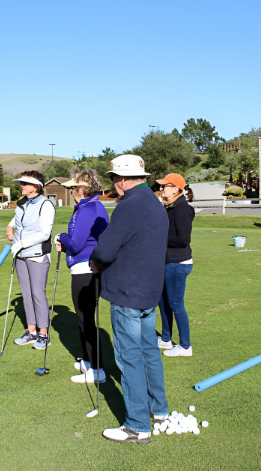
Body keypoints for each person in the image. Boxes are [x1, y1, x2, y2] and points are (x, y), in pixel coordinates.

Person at [89, 155, 168, 444]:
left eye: (113, 179)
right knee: (148, 351)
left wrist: (96, 260)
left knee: (129, 356)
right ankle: (158, 410)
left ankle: (137, 425)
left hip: (127, 293)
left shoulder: (129, 205)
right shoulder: (155, 203)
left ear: (123, 180)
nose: (113, 184)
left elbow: (106, 250)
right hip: (148, 292)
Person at [54, 169, 109, 384]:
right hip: (86, 268)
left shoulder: (88, 209)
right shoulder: (90, 206)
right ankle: (87, 361)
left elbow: (76, 244)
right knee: (82, 318)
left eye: (72, 188)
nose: (70, 191)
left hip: (86, 269)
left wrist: (61, 236)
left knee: (85, 320)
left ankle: (97, 370)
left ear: (82, 189)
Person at [8, 171, 55, 350]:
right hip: (20, 255)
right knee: (26, 295)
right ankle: (31, 331)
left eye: (25, 183)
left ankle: (43, 334)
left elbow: (44, 233)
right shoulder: (22, 203)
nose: (22, 186)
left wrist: (21, 243)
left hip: (37, 255)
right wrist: (10, 226)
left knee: (37, 294)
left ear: (36, 186)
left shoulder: (46, 205)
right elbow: (19, 218)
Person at [156, 173, 195, 357]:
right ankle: (165, 339)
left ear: (177, 189)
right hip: (167, 262)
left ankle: (185, 346)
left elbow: (183, 239)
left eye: (165, 186)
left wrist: (158, 237)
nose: (162, 189)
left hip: (178, 263)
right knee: (163, 302)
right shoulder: (169, 207)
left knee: (176, 303)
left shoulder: (181, 208)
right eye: (162, 186)